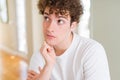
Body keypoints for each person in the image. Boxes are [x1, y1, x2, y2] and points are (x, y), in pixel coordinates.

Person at [27, 0, 111, 80]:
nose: (49, 28)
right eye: (46, 18)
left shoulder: (92, 51)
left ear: (73, 25)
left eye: (60, 21)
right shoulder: (39, 56)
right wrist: (48, 66)